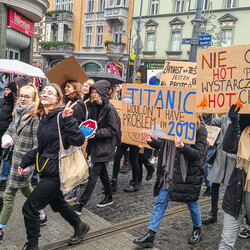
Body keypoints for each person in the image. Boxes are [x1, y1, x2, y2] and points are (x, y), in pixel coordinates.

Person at [19, 83, 89, 250]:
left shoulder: (62, 116)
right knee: (57, 204)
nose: (44, 94)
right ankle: (80, 226)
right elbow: (42, 148)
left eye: (49, 93)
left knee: (29, 208)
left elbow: (79, 140)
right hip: (46, 169)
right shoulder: (45, 118)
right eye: (43, 92)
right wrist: (26, 161)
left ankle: (32, 245)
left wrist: (68, 120)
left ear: (58, 99)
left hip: (57, 172)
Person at [133, 119, 207, 248]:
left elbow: (198, 153)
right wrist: (151, 141)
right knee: (161, 201)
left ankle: (197, 228)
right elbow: (163, 144)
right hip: (169, 171)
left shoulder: (200, 129)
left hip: (187, 174)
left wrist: (183, 147)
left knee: (192, 202)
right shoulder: (171, 123)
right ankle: (150, 235)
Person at [0, 84, 46, 242]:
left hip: (24, 162)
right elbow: (11, 130)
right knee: (27, 190)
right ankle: (40, 212)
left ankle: (0, 228)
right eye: (21, 96)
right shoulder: (18, 113)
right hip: (15, 161)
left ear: (34, 99)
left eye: (27, 96)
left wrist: (29, 165)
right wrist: (7, 138)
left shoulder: (35, 117)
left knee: (8, 195)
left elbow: (37, 145)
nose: (23, 99)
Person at [72, 80, 119, 214]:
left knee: (92, 175)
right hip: (96, 145)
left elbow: (112, 130)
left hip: (104, 146)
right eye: (92, 92)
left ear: (103, 93)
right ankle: (109, 196)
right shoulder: (93, 106)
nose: (93, 95)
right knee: (103, 173)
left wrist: (96, 133)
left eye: (96, 92)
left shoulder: (110, 109)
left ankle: (80, 205)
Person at [218, 105, 250, 249]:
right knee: (226, 242)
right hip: (236, 196)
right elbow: (228, 146)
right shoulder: (243, 131)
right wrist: (235, 123)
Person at [202, 114, 236, 224]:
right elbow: (210, 123)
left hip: (234, 159)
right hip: (220, 157)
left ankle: (238, 217)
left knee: (234, 189)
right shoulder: (225, 118)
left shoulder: (244, 118)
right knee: (214, 185)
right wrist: (208, 113)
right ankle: (213, 213)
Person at [0, 82, 17, 191]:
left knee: (6, 155)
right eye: (5, 89)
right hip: (2, 130)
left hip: (7, 131)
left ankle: (3, 178)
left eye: (8, 90)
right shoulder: (4, 102)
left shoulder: (12, 103)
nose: (6, 92)